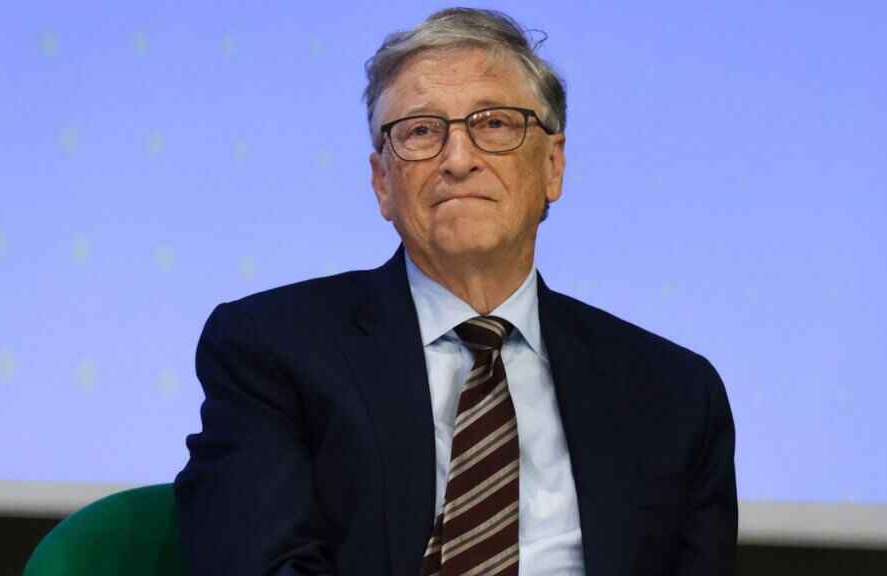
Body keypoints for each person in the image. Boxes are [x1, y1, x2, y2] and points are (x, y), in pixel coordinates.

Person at [175, 8, 736, 576]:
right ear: (382, 184)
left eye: (494, 124)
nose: (459, 159)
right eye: (421, 131)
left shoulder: (674, 393)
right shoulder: (272, 349)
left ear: (552, 165)